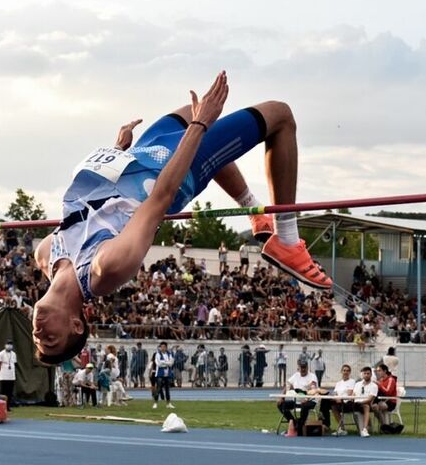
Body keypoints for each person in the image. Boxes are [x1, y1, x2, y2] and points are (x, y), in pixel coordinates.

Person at [32, 72, 332, 365]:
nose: (38, 333)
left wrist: (116, 151)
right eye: (50, 340)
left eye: (37, 340)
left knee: (190, 110)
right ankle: (288, 240)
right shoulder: (104, 268)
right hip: (172, 168)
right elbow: (160, 197)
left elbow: (92, 206)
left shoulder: (45, 253)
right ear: (77, 325)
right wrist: (201, 126)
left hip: (137, 157)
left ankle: (253, 210)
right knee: (279, 115)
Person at [276, 359, 319, 435]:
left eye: (304, 367)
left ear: (307, 367)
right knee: (281, 404)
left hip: (311, 401)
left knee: (305, 406)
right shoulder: (296, 375)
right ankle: (294, 423)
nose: (303, 369)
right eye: (301, 367)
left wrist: (307, 399)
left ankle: (300, 428)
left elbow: (313, 390)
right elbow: (287, 385)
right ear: (299, 367)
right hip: (297, 401)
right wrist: (281, 397)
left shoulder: (312, 377)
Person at [329, 364, 357, 436]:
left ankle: (342, 428)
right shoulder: (338, 383)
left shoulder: (352, 381)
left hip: (348, 403)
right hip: (338, 402)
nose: (346, 372)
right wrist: (337, 397)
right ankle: (324, 423)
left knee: (333, 406)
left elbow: (349, 393)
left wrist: (339, 397)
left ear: (350, 372)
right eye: (344, 370)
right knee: (326, 403)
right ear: (341, 371)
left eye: (347, 371)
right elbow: (334, 393)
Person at [354, 366, 377, 438]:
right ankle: (341, 428)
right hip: (354, 403)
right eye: (365, 373)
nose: (366, 375)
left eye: (368, 373)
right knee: (336, 405)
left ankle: (364, 429)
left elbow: (370, 399)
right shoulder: (357, 384)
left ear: (371, 375)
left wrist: (361, 402)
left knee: (366, 406)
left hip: (364, 404)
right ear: (362, 374)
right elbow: (353, 395)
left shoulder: (374, 386)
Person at [0, 339, 17, 411]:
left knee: (10, 392)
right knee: (4, 392)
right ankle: (2, 406)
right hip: (4, 376)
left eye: (11, 344)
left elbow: (15, 363)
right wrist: (1, 371)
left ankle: (8, 406)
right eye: (8, 344)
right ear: (5, 345)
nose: (9, 345)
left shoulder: (13, 354)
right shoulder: (1, 353)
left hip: (11, 376)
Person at [154, 342, 175, 409]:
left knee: (167, 389)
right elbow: (158, 364)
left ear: (166, 347)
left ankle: (168, 403)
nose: (162, 348)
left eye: (164, 347)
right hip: (160, 373)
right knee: (158, 388)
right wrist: (167, 363)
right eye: (161, 347)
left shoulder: (169, 354)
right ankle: (155, 403)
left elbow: (171, 363)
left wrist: (164, 362)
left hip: (167, 373)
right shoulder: (158, 354)